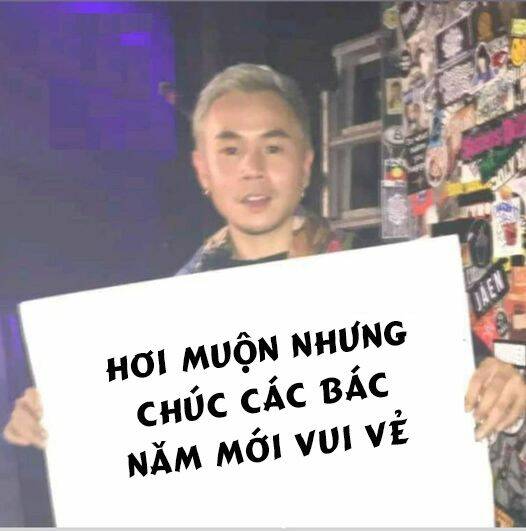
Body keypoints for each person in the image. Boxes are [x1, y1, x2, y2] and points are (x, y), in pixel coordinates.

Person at [4, 63, 526, 453]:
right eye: (230, 150)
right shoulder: (157, 323)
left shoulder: (394, 289)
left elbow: (471, 400)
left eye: (273, 148)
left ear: (306, 165)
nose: (252, 168)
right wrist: (53, 418)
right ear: (202, 170)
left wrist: (503, 389)